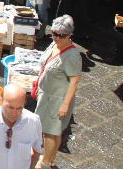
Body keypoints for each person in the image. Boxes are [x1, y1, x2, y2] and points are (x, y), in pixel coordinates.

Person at [35, 15, 82, 169]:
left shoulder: (72, 55)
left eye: (61, 35)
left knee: (48, 131)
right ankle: (51, 158)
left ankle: (46, 162)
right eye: (55, 33)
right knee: (54, 131)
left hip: (57, 98)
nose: (57, 37)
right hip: (47, 93)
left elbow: (74, 80)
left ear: (70, 36)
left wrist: (65, 105)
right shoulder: (54, 44)